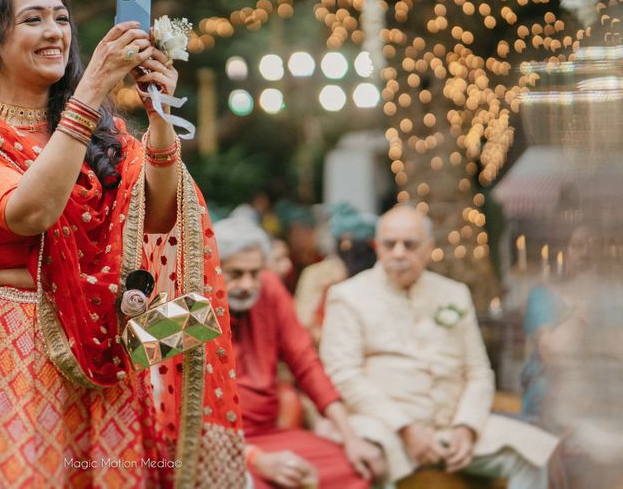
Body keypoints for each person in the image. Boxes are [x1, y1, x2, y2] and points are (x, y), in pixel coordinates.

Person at [0, 0, 244, 488]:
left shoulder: (105, 136)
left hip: (108, 351)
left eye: (62, 18)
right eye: (33, 19)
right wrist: (93, 87)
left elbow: (162, 219)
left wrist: (158, 115)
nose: (55, 31)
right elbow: (29, 211)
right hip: (16, 351)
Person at [320, 205, 559, 488]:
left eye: (409, 244)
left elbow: (479, 372)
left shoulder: (453, 294)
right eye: (389, 244)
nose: (398, 253)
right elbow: (344, 374)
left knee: (533, 456)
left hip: (452, 427)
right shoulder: (348, 297)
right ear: (376, 246)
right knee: (373, 459)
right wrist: (406, 428)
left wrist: (467, 427)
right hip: (385, 429)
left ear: (429, 248)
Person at [214, 216, 381, 489]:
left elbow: (307, 364)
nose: (247, 285)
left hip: (270, 434)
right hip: (213, 445)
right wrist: (255, 459)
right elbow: (175, 409)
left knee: (353, 469)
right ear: (213, 269)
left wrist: (350, 436)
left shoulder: (269, 288)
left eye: (255, 273)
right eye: (235, 274)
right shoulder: (191, 305)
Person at [521, 225, 594, 425]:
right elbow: (552, 351)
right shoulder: (542, 296)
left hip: (597, 400)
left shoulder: (607, 294)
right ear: (563, 251)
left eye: (592, 245)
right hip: (550, 402)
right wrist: (583, 312)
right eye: (578, 245)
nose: (586, 253)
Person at [295, 203, 376, 345]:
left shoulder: (377, 276)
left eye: (362, 245)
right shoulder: (318, 275)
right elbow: (304, 322)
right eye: (347, 244)